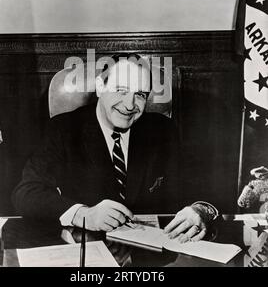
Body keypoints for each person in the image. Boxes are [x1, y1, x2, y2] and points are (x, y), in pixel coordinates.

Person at [13, 54, 218, 243]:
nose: (130, 105)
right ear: (101, 87)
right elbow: (26, 193)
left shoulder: (162, 130)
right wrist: (83, 214)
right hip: (87, 252)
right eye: (121, 90)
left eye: (140, 94)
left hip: (150, 257)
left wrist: (200, 210)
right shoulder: (64, 129)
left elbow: (204, 183)